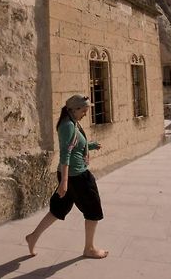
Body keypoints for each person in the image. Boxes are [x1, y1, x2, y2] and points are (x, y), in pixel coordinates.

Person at [25, 94, 108, 259]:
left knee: (59, 209)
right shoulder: (68, 126)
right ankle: (89, 248)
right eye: (84, 110)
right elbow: (65, 154)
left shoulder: (72, 122)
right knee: (93, 210)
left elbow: (74, 146)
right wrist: (64, 182)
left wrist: (90, 146)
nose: (86, 113)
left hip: (70, 175)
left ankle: (33, 237)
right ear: (75, 109)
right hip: (76, 176)